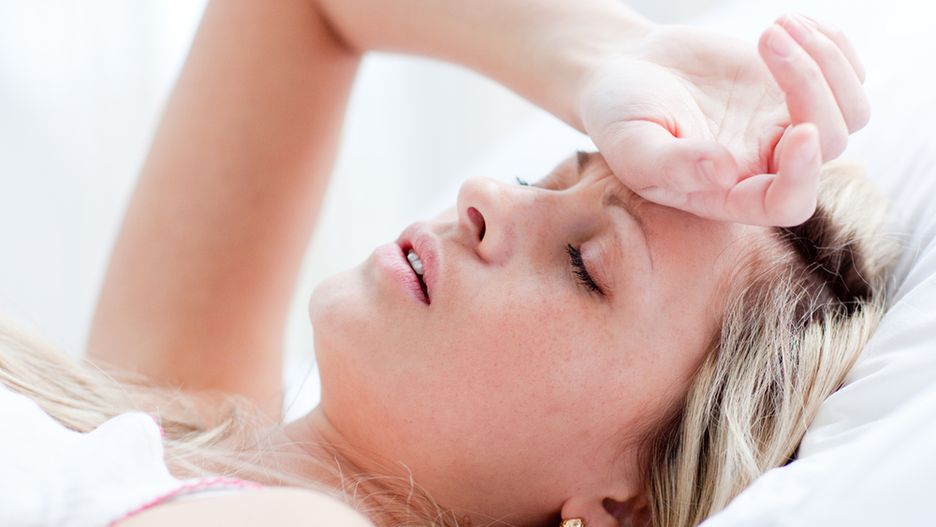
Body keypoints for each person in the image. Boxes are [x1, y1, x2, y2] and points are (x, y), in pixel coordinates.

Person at [0, 0, 897, 526]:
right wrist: (612, 56)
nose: (486, 195)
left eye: (585, 265)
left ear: (622, 506)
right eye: (545, 177)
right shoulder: (181, 424)